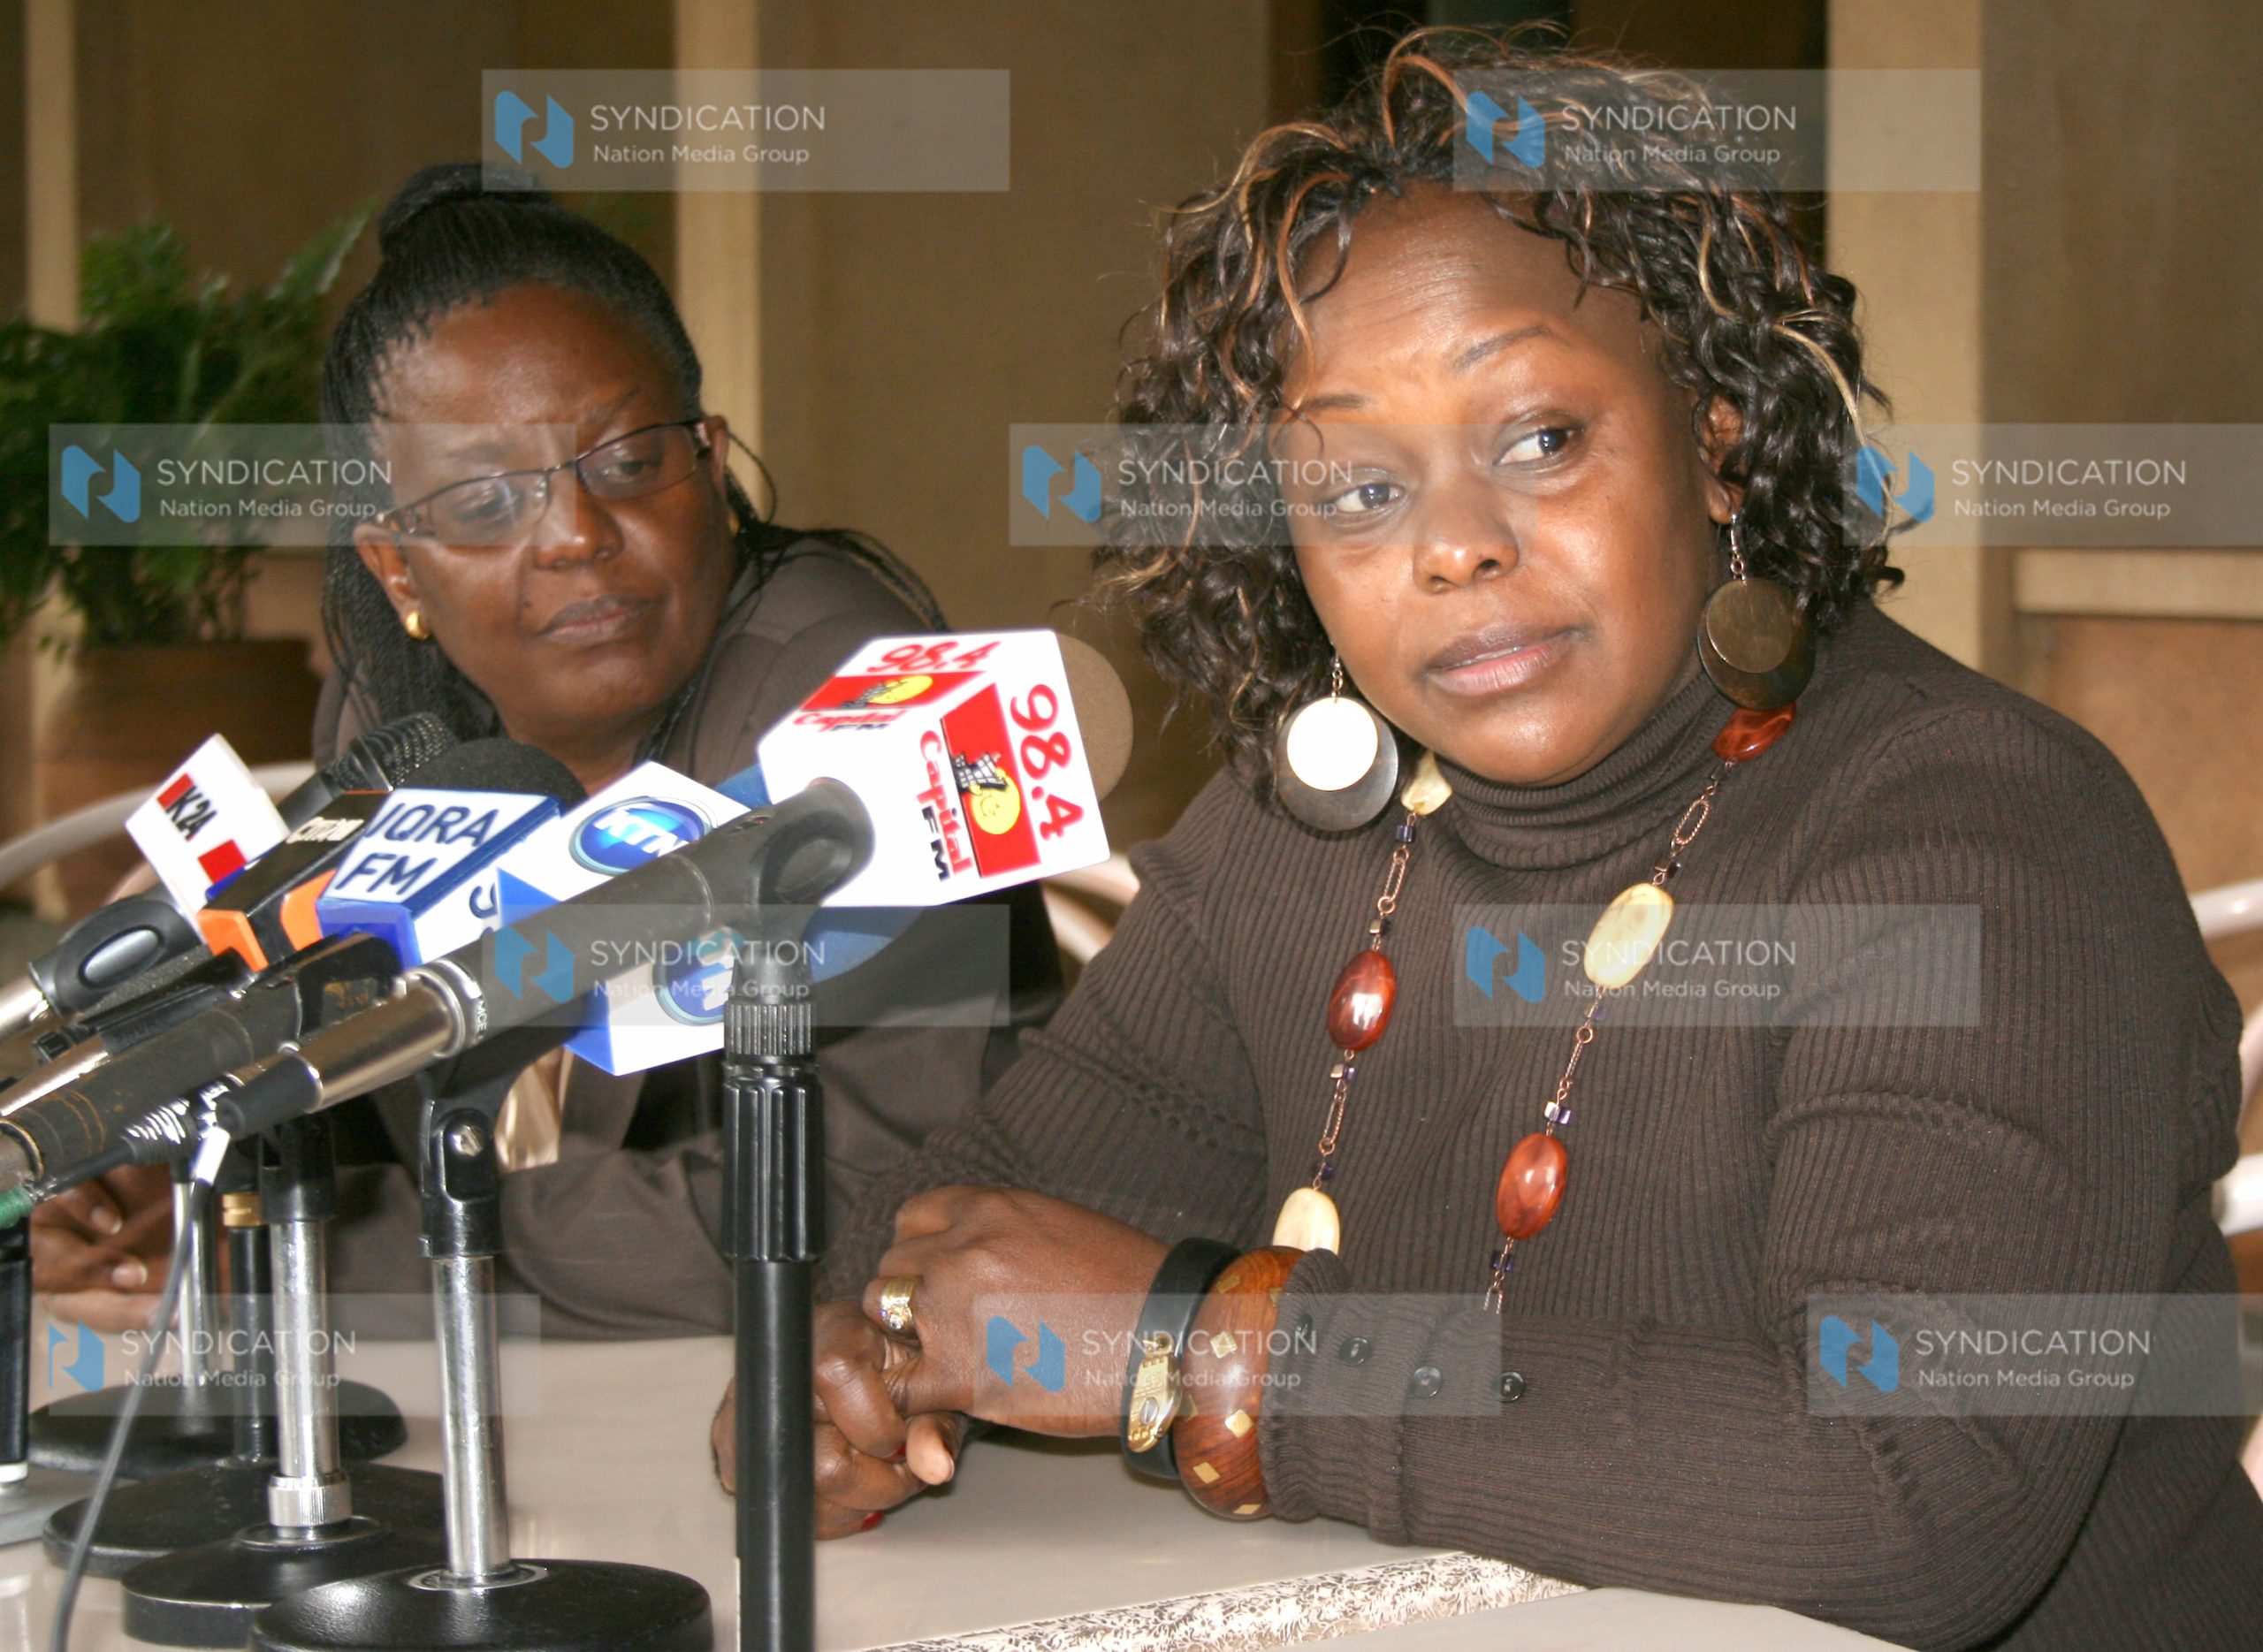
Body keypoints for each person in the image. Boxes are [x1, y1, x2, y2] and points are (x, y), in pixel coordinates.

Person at [714, 32, 2263, 1652]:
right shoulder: (1305, 824)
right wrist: (848, 1351)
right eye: (1359, 488)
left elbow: (1907, 1483)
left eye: (1540, 440)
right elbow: (991, 1200)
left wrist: (1206, 1343)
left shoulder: (1970, 829)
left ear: (1720, 433)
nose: (1455, 545)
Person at [31, 164, 1063, 1338]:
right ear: (396, 570)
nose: (577, 537)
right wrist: (167, 1190)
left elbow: (863, 1201)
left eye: (628, 464)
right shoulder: (393, 721)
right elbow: (335, 1088)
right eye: (484, 504)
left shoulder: (859, 700)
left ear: (711, 465)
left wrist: (318, 1243)